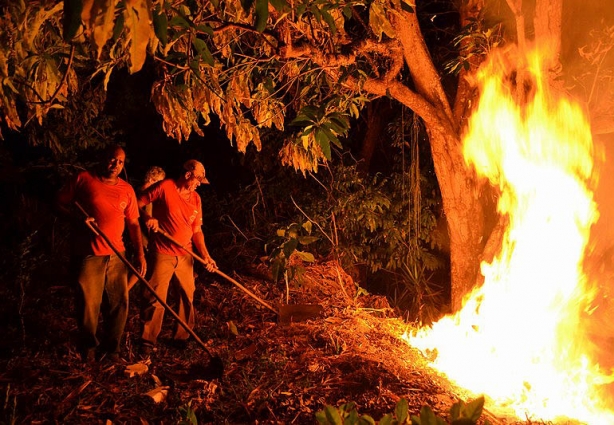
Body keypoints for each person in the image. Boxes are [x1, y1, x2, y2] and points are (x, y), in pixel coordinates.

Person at [56, 145, 147, 363]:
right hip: (89, 254)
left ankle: (112, 351)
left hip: (117, 254)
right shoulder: (83, 179)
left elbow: (133, 224)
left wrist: (140, 255)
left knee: (119, 303)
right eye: (112, 159)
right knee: (88, 305)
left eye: (121, 162)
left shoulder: (126, 189)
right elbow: (58, 203)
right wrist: (77, 219)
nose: (116, 165)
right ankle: (88, 349)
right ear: (102, 157)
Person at [138, 159, 217, 355]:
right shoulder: (165, 187)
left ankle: (182, 337)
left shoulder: (196, 199)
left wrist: (206, 256)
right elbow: (137, 204)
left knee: (186, 295)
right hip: (162, 251)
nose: (199, 184)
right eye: (198, 179)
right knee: (156, 296)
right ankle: (148, 340)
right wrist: (148, 218)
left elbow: (197, 230)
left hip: (185, 254)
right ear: (188, 174)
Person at [127, 166, 166, 290]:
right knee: (142, 267)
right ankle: (125, 292)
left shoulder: (136, 191)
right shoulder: (147, 197)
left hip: (129, 234)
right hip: (140, 236)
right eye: (160, 181)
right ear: (152, 179)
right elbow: (146, 222)